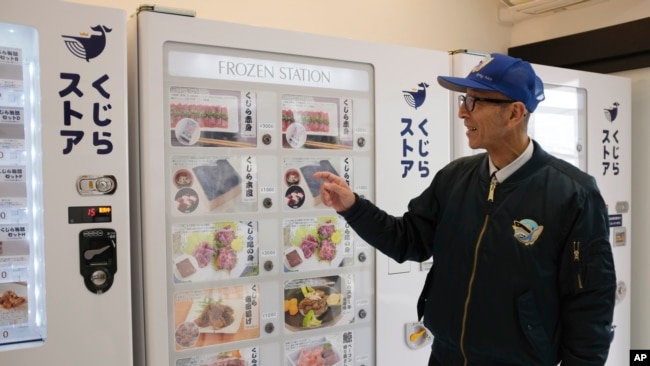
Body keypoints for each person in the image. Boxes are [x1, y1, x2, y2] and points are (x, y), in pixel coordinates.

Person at [313, 53, 616, 366]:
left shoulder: (573, 194)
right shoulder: (455, 177)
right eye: (463, 99)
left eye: (474, 101)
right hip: (446, 356)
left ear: (514, 113)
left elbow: (591, 303)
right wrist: (353, 207)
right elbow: (408, 240)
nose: (462, 112)